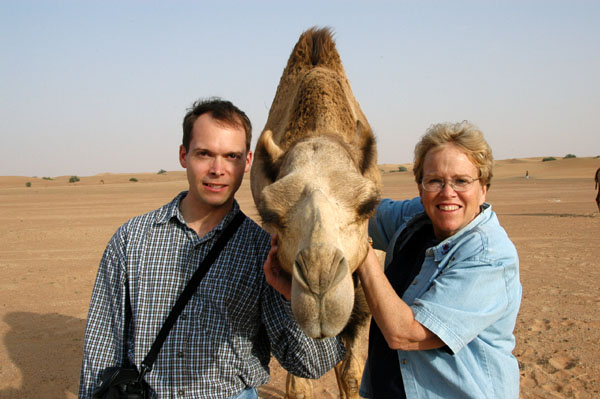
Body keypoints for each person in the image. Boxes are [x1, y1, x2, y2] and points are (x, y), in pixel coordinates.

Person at [78, 98, 345, 399]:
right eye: (205, 154)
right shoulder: (132, 240)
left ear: (247, 162)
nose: (218, 169)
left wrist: (290, 293)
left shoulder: (263, 251)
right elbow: (101, 349)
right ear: (184, 155)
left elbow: (313, 364)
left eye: (231, 156)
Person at [357, 121, 522, 398]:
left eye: (462, 181)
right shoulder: (417, 219)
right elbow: (363, 209)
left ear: (483, 188)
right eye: (435, 180)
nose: (447, 193)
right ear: (420, 189)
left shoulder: (489, 257)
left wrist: (358, 247)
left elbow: (405, 333)